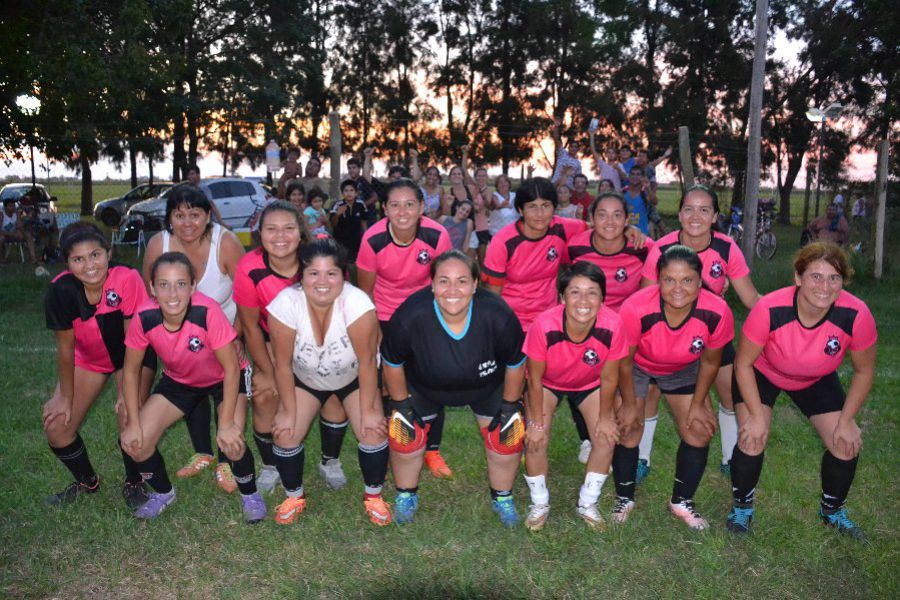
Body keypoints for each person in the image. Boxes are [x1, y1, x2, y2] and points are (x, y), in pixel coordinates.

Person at [726, 242, 877, 540]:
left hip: (816, 378)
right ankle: (742, 508)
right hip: (762, 372)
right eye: (815, 276)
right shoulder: (770, 307)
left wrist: (846, 421)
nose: (824, 286)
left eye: (834, 278)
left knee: (845, 443)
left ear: (842, 282)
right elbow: (742, 364)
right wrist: (756, 416)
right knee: (753, 436)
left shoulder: (856, 314)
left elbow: (865, 371)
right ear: (798, 277)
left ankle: (832, 511)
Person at [381, 250, 527, 526]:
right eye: (444, 281)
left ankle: (503, 498)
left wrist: (510, 406)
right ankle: (405, 495)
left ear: (475, 285)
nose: (452, 290)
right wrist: (401, 404)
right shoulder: (412, 314)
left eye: (462, 281)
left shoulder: (497, 313)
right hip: (424, 385)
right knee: (403, 432)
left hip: (487, 385)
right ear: (432, 284)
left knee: (508, 434)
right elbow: (392, 361)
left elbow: (516, 363)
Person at [121, 252, 266, 522]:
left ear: (193, 286)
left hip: (225, 378)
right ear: (152, 288)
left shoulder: (206, 311)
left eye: (180, 284)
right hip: (180, 380)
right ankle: (164, 493)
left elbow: (232, 368)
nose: (172, 293)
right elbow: (130, 371)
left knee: (232, 441)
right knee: (135, 443)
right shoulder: (144, 316)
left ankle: (250, 494)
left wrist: (225, 424)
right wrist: (132, 422)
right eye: (163, 284)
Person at [638, 185, 761, 479]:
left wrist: (781, 319)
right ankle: (641, 458)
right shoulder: (662, 248)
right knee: (651, 390)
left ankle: (730, 458)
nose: (696, 216)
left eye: (704, 210)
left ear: (714, 215)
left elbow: (751, 300)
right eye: (689, 209)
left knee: (730, 391)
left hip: (711, 335)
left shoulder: (726, 248)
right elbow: (645, 300)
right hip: (669, 336)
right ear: (680, 214)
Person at [267, 239, 391, 526]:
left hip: (353, 377)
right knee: (285, 432)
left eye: (331, 273)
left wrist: (371, 409)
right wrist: (287, 409)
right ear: (302, 275)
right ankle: (294, 496)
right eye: (313, 273)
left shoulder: (358, 304)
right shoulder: (285, 304)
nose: (322, 281)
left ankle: (373, 497)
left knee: (373, 429)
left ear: (343, 276)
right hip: (305, 379)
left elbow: (367, 362)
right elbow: (282, 364)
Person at [235, 202, 351, 494]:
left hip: (321, 335)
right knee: (264, 393)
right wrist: (269, 370)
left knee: (334, 390)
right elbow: (250, 327)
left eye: (288, 228)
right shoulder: (249, 267)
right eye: (271, 229)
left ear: (301, 232)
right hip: (273, 341)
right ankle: (271, 465)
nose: (280, 236)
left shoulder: (319, 257)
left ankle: (330, 460)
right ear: (259, 234)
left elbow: (342, 307)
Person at [619, 245, 734, 530]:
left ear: (699, 281)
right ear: (658, 280)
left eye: (687, 280)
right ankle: (624, 498)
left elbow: (710, 362)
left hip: (683, 368)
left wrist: (698, 403)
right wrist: (631, 404)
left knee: (699, 428)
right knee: (627, 425)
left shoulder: (717, 310)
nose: (678, 288)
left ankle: (681, 501)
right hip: (638, 365)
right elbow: (623, 362)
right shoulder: (636, 306)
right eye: (669, 280)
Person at [142, 185, 246, 492]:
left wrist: (238, 334)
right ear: (169, 218)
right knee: (189, 385)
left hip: (225, 331)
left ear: (208, 216)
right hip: (180, 337)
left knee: (224, 391)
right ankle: (202, 452)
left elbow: (246, 294)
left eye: (195, 214)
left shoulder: (224, 243)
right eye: (179, 214)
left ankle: (227, 461)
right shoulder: (157, 244)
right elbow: (151, 296)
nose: (187, 222)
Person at [42, 223, 154, 508]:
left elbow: (134, 339)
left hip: (132, 356)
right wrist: (65, 398)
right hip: (90, 360)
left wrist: (125, 388)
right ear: (67, 263)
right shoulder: (60, 291)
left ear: (109, 252)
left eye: (95, 255)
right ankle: (87, 481)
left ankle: (134, 481)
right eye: (78, 259)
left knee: (129, 415)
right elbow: (66, 349)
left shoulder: (127, 278)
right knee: (57, 427)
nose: (89, 265)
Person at [356, 179, 454, 478]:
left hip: (426, 313)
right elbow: (365, 294)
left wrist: (443, 322)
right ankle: (391, 444)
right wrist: (376, 333)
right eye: (395, 205)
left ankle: (432, 450)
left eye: (410, 204)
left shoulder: (436, 235)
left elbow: (445, 282)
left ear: (422, 207)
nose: (403, 211)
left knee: (434, 377)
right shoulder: (372, 239)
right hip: (385, 313)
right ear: (384, 208)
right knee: (389, 384)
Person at [521, 262, 630, 530]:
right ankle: (539, 503)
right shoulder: (544, 325)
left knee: (605, 437)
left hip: (589, 382)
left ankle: (588, 502)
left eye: (592, 292)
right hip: (547, 383)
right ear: (562, 297)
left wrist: (606, 417)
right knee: (536, 439)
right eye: (575, 292)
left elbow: (609, 376)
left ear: (602, 297)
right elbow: (534, 378)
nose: (583, 301)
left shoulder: (613, 324)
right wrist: (535, 423)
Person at [566, 192, 654, 463]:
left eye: (618, 215)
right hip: (586, 324)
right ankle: (587, 437)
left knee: (616, 383)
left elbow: (671, 272)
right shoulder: (575, 247)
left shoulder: (643, 246)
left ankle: (614, 434)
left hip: (625, 329)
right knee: (576, 378)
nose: (610, 221)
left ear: (628, 219)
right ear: (591, 219)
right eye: (602, 214)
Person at [482, 177, 590, 333]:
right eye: (532, 206)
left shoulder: (561, 228)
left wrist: (628, 230)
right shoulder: (503, 241)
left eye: (546, 206)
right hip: (511, 320)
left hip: (549, 319)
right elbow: (493, 297)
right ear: (520, 210)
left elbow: (601, 229)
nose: (540, 214)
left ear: (554, 208)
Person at [330, 179, 369, 262]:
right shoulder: (337, 205)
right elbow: (333, 224)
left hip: (356, 240)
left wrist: (365, 237)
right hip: (340, 240)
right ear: (342, 193)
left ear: (356, 193)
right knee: (341, 262)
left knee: (355, 264)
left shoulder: (360, 204)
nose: (349, 193)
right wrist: (337, 214)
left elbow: (363, 221)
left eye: (351, 190)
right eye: (346, 191)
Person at [0, 197, 37, 263]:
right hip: (4, 234)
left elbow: (19, 226)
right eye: (10, 206)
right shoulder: (2, 215)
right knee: (1, 238)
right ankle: (2, 260)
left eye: (13, 205)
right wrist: (12, 234)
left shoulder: (16, 213)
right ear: (5, 207)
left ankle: (33, 258)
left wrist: (21, 232)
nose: (13, 207)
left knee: (28, 235)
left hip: (14, 233)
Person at [550, 119, 583, 187]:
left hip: (568, 189)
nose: (573, 148)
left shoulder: (577, 163)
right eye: (572, 146)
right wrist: (556, 127)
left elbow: (578, 179)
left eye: (575, 147)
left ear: (578, 149)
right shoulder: (562, 153)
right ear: (568, 148)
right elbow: (556, 138)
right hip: (556, 185)